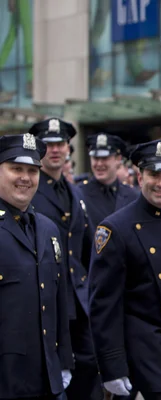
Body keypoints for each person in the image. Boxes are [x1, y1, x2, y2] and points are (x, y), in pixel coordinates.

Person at [88, 139, 161, 400]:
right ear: (139, 176)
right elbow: (104, 305)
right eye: (154, 174)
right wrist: (112, 366)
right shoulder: (116, 228)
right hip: (144, 353)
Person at [29, 118, 102, 400]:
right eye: (47, 144)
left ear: (68, 147)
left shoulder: (74, 191)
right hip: (47, 294)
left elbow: (86, 246)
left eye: (60, 143)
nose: (55, 150)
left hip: (78, 297)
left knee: (88, 366)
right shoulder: (30, 188)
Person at [0, 133, 73, 399]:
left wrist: (64, 361)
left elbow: (59, 303)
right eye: (15, 168)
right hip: (7, 382)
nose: (25, 177)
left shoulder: (47, 228)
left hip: (49, 381)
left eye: (32, 170)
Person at [78, 133, 138, 230]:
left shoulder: (132, 195)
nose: (99, 164)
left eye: (105, 158)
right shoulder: (79, 194)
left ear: (118, 159)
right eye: (95, 158)